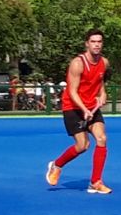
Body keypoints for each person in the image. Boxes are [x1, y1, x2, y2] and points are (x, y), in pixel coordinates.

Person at [45, 29, 112, 194]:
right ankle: (57, 165)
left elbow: (100, 81)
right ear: (87, 44)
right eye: (93, 42)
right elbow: (72, 91)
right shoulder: (78, 63)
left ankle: (96, 182)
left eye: (99, 42)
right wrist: (84, 109)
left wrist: (102, 94)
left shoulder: (104, 62)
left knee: (102, 138)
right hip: (73, 107)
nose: (96, 45)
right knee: (83, 146)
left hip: (91, 107)